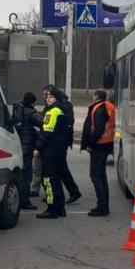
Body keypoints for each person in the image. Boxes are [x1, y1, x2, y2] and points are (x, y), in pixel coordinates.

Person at [36, 87, 73, 218]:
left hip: (50, 152)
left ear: (56, 98)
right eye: (47, 97)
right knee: (56, 180)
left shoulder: (52, 112)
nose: (47, 99)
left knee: (48, 180)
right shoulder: (62, 110)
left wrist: (38, 148)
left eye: (50, 97)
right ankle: (60, 208)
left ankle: (51, 209)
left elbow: (46, 132)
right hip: (58, 151)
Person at [81, 89, 117, 217]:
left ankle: (102, 207)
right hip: (106, 144)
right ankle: (103, 206)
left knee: (96, 176)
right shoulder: (107, 107)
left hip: (98, 146)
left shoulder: (99, 108)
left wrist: (90, 144)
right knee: (101, 176)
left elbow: (98, 128)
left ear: (96, 96)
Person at [49, 84, 82, 204]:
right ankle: (68, 192)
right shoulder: (66, 105)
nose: (48, 98)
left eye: (50, 96)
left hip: (59, 142)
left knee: (60, 168)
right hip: (63, 141)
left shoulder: (61, 106)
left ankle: (72, 192)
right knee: (60, 168)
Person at [11, 92, 42, 210]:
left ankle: (20, 199)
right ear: (32, 102)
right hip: (27, 146)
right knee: (27, 176)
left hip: (17, 145)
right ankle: (25, 201)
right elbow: (44, 122)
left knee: (20, 174)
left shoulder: (17, 109)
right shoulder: (31, 113)